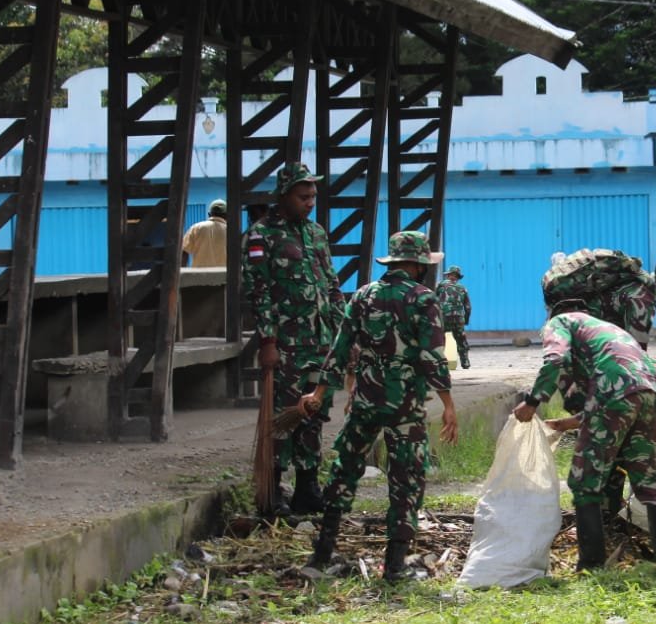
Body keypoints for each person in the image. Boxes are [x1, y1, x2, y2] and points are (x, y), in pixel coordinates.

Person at [299, 231, 457, 581]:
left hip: (366, 399)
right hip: (404, 404)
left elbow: (340, 349)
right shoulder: (423, 299)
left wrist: (320, 393)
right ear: (418, 265)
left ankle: (322, 552)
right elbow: (433, 357)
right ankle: (395, 565)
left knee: (344, 470)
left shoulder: (363, 295)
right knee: (406, 479)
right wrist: (447, 404)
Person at [513, 311, 656, 569]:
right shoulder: (603, 329)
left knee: (585, 480)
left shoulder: (558, 324)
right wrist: (567, 423)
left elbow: (556, 360)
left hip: (616, 388)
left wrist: (533, 401)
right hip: (652, 393)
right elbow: (615, 396)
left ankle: (591, 565)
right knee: (650, 481)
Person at [242, 162, 345, 515]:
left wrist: (344, 335)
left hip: (320, 342)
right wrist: (267, 340)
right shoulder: (262, 235)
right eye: (303, 196)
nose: (310, 202)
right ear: (284, 195)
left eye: (313, 196)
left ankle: (307, 488)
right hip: (286, 345)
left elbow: (330, 285)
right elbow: (258, 291)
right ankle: (271, 494)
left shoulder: (316, 233)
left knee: (313, 414)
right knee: (281, 417)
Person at [550, 247, 656, 349]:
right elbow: (636, 357)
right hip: (570, 336)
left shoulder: (638, 283)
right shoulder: (644, 299)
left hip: (569, 329)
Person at [436, 266, 473, 369]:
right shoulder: (463, 288)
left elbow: (433, 299)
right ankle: (465, 362)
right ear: (458, 277)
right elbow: (468, 307)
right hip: (458, 317)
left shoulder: (441, 285)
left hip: (444, 317)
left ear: (448, 275)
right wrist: (466, 320)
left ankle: (441, 362)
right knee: (461, 339)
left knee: (440, 339)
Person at [182, 198, 228, 267]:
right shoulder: (231, 231)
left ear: (209, 214)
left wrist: (183, 275)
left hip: (199, 276)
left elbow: (184, 252)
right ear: (227, 215)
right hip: (224, 276)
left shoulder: (196, 228)